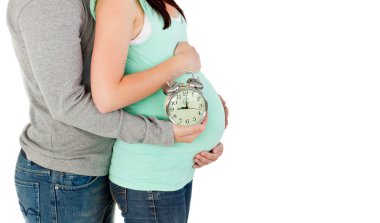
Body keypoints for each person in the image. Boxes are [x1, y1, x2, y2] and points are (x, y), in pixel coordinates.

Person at [6, 0, 228, 222]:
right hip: (63, 174)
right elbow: (69, 105)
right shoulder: (46, 6)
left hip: (103, 158)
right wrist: (163, 133)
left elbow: (136, 66)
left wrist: (197, 115)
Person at [90, 0, 228, 222]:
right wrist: (179, 63)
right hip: (150, 174)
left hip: (176, 168)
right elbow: (107, 97)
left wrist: (207, 116)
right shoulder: (117, 3)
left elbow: (164, 68)